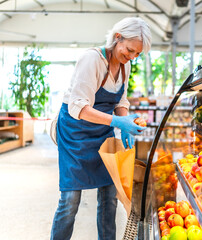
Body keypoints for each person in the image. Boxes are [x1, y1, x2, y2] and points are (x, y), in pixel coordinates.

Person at [50, 17, 152, 240]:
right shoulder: (92, 59)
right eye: (130, 50)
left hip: (101, 132)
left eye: (137, 54)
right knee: (70, 200)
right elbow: (79, 108)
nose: (132, 56)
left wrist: (125, 123)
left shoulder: (126, 65)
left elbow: (120, 102)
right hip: (75, 133)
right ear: (117, 38)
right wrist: (117, 123)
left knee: (108, 196)